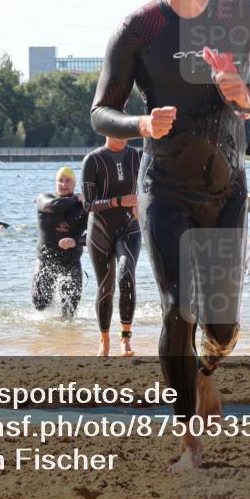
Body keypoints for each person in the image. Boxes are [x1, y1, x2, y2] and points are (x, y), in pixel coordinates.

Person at [90, 0, 250, 472]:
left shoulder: (241, 14)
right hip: (164, 187)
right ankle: (189, 443)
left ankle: (209, 373)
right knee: (178, 310)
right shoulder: (140, 29)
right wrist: (139, 126)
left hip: (227, 186)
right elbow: (100, 113)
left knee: (222, 327)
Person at [81, 137, 142, 358]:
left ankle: (125, 339)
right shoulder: (93, 160)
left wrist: (142, 204)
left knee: (127, 275)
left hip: (129, 228)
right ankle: (104, 340)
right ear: (106, 130)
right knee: (106, 286)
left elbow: (153, 185)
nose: (121, 134)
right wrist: (118, 201)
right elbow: (88, 204)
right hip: (100, 231)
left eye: (125, 128)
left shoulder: (138, 156)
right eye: (116, 128)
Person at [33, 167, 88, 317]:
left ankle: (68, 339)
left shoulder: (83, 208)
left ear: (74, 184)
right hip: (46, 262)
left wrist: (76, 241)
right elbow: (54, 206)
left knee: (69, 312)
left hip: (71, 263)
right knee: (40, 308)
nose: (64, 184)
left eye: (68, 180)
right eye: (60, 180)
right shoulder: (44, 199)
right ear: (55, 183)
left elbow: (98, 236)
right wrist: (76, 198)